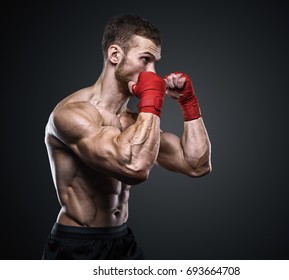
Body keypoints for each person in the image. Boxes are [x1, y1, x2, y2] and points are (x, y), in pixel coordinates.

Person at [41, 13, 212, 260]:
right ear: (115, 55)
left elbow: (197, 164)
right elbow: (133, 166)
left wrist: (189, 105)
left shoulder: (134, 120)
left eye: (155, 63)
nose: (152, 72)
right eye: (145, 60)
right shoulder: (72, 114)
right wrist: (152, 96)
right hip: (77, 244)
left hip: (122, 240)